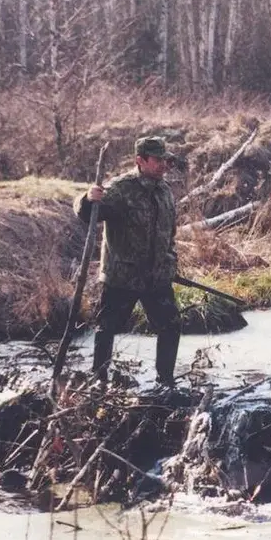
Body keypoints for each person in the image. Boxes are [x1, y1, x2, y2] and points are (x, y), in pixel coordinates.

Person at [73, 136, 183, 387]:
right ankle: (99, 380)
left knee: (171, 326)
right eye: (157, 160)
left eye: (165, 160)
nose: (163, 165)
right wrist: (88, 199)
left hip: (157, 277)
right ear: (140, 160)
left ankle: (165, 383)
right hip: (123, 277)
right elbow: (88, 215)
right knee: (107, 327)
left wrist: (170, 262)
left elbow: (169, 233)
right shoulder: (122, 189)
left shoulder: (165, 192)